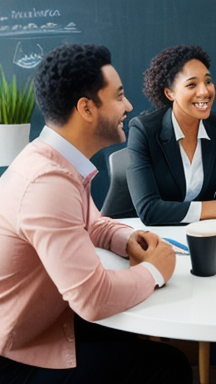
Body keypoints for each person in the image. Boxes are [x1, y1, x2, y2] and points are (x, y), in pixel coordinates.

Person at [0, 44, 193, 383]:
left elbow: (92, 224)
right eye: (119, 96)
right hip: (16, 353)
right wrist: (154, 272)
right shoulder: (48, 182)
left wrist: (128, 238)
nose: (129, 106)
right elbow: (91, 298)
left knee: (137, 342)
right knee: (168, 367)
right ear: (87, 108)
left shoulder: (55, 160)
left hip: (41, 326)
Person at [127, 45, 216, 226]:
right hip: (152, 238)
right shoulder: (144, 130)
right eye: (192, 84)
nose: (204, 92)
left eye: (208, 81)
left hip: (207, 232)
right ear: (170, 93)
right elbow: (149, 211)